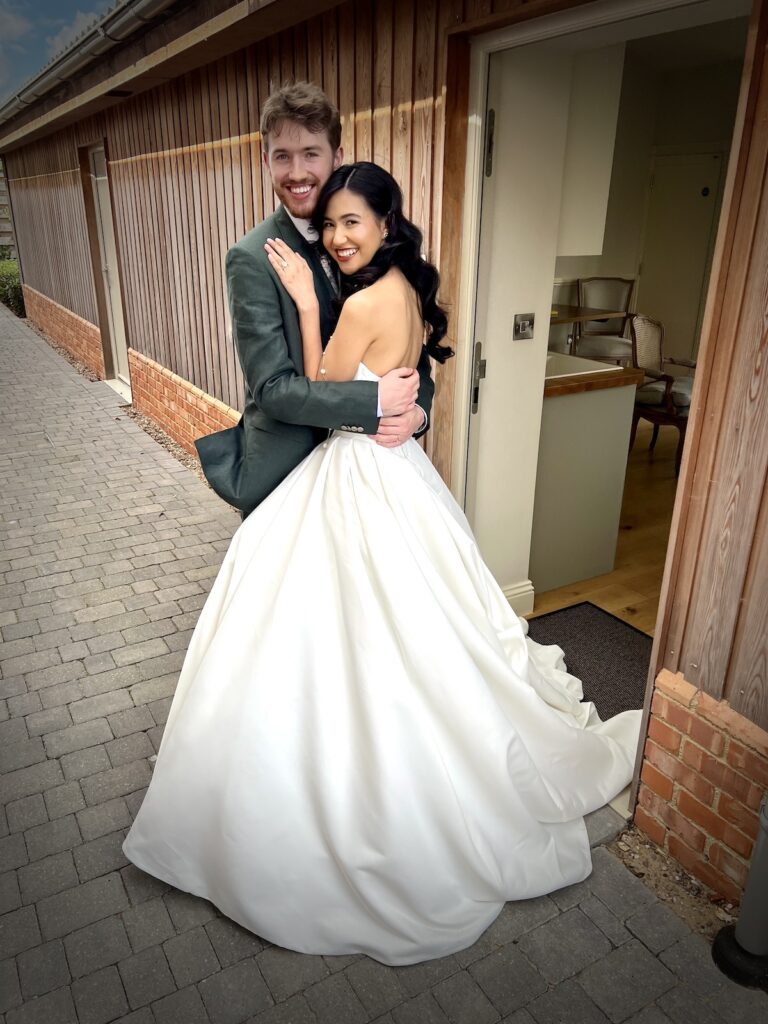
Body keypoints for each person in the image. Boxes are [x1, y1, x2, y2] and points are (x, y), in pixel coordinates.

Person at [124, 162, 641, 967]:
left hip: (356, 473)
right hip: (398, 474)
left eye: (350, 222)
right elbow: (392, 380)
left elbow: (314, 386)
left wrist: (303, 303)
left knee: (341, 628)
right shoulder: (401, 287)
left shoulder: (362, 298)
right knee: (419, 619)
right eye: (329, 224)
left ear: (386, 222)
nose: (335, 237)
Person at [195, 82, 434, 518]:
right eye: (282, 156)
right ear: (265, 160)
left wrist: (416, 413)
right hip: (287, 472)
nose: (297, 171)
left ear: (336, 157)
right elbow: (272, 390)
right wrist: (374, 403)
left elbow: (408, 358)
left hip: (369, 473)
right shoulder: (252, 258)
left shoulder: (363, 241)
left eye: (311, 153)